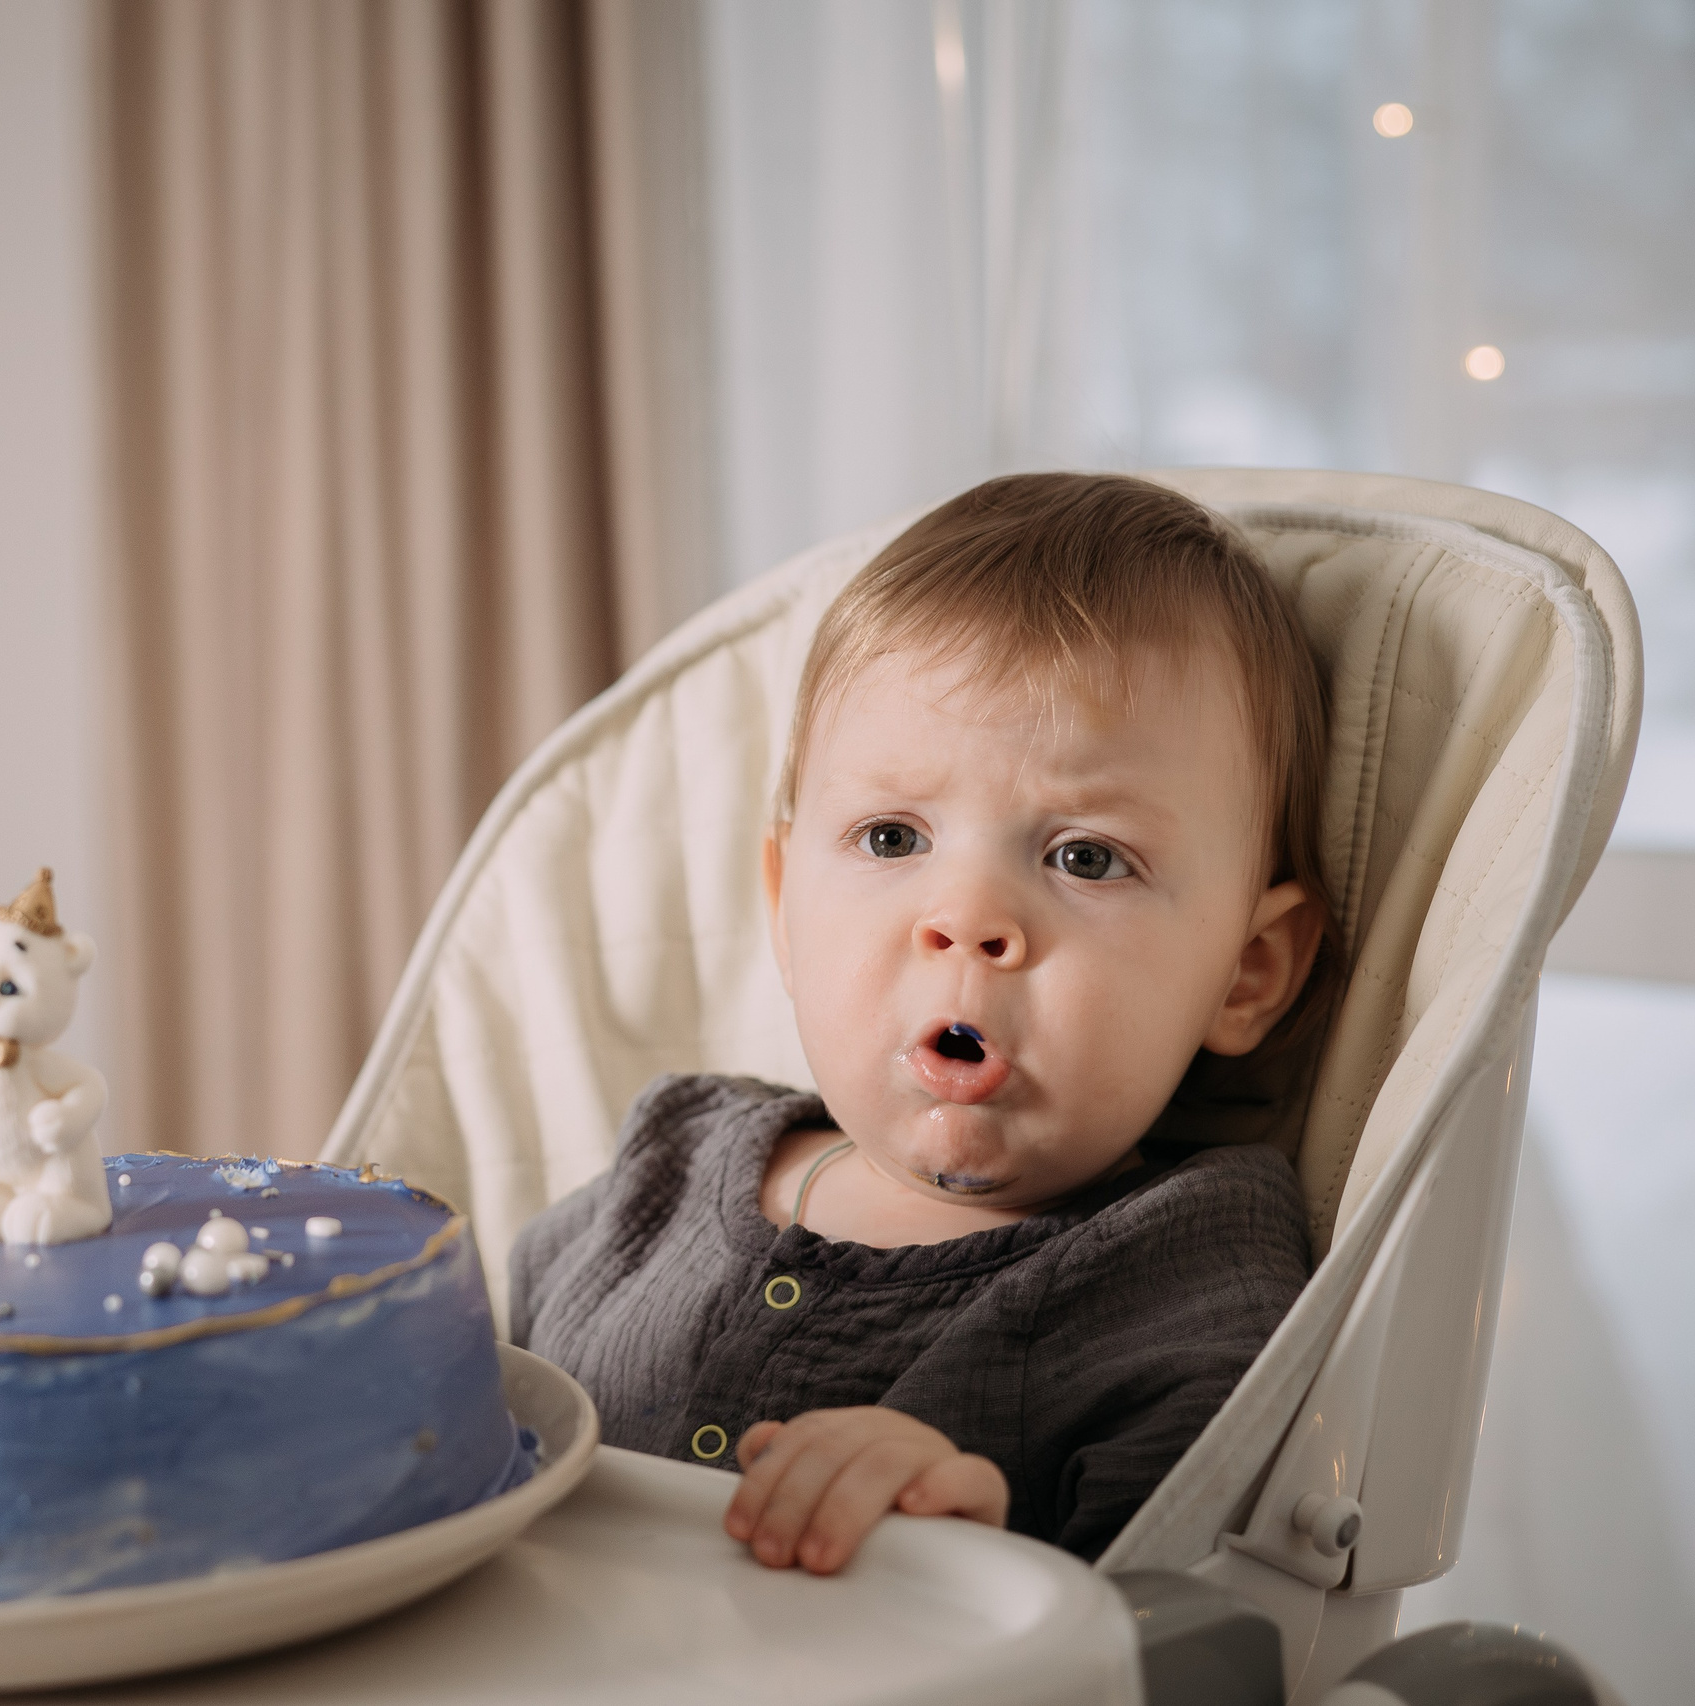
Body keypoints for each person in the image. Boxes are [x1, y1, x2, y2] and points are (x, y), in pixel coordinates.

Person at [509, 472, 1330, 1570]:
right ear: (784, 910)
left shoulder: (1178, 1272)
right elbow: (458, 1429)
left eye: (1085, 856)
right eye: (892, 838)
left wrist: (973, 1552)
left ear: (1246, 973)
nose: (967, 919)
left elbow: (1185, 1641)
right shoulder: (665, 1161)